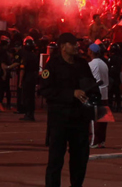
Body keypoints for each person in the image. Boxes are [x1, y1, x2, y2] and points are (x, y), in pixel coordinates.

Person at [41, 32, 100, 187]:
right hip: (59, 119)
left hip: (80, 120)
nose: (76, 46)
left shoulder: (82, 64)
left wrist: (93, 95)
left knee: (80, 160)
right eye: (72, 44)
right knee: (55, 160)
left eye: (77, 43)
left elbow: (92, 86)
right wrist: (71, 93)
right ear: (63, 47)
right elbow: (45, 90)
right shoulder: (52, 65)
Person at [88, 43, 110, 148]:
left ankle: (94, 141)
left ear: (91, 52)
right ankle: (102, 141)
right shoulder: (104, 63)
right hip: (105, 94)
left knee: (94, 120)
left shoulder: (91, 64)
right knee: (103, 120)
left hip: (97, 94)